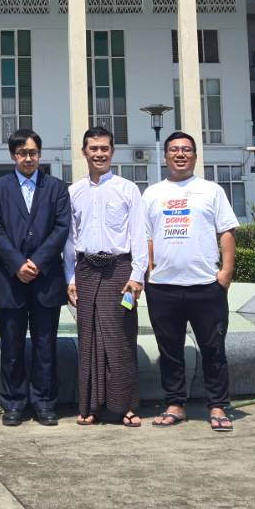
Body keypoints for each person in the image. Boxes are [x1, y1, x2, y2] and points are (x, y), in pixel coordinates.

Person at [142, 130, 239, 432]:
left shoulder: (211, 190)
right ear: (165, 156)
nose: (180, 154)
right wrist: (148, 274)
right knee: (169, 350)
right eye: (174, 150)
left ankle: (217, 406)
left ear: (195, 156)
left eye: (186, 149)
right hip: (163, 287)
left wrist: (225, 273)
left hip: (206, 286)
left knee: (213, 349)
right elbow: (146, 237)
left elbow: (226, 232)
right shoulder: (152, 194)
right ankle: (175, 405)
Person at [0, 128, 71, 426]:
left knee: (46, 345)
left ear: (39, 154)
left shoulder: (56, 187)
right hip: (11, 279)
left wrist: (37, 262)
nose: (28, 158)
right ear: (13, 156)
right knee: (11, 346)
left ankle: (44, 402)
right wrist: (18, 264)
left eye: (33, 153)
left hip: (46, 279)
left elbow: (61, 227)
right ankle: (13, 402)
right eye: (22, 153)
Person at [65, 127, 147, 427]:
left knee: (121, 337)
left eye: (104, 148)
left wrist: (137, 275)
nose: (99, 154)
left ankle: (126, 406)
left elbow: (139, 234)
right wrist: (70, 278)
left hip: (120, 270)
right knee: (88, 338)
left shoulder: (127, 189)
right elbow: (69, 240)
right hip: (86, 270)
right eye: (93, 148)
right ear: (83, 152)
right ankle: (90, 406)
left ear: (112, 151)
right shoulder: (74, 192)